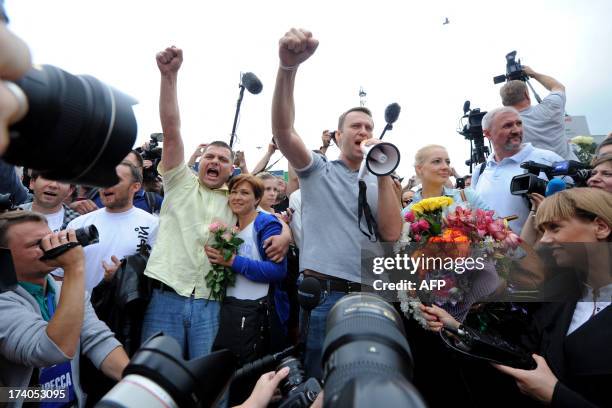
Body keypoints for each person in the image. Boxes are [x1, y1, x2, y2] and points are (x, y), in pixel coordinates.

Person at [141, 46, 289, 359]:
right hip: (167, 297)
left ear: (231, 169)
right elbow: (171, 131)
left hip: (211, 302)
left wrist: (285, 234)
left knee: (207, 386)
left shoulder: (237, 199)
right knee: (155, 379)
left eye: (223, 159)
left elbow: (271, 219)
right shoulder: (179, 182)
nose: (215, 161)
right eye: (209, 156)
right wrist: (169, 77)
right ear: (199, 161)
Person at [271, 28, 402, 378]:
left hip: (371, 296)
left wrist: (383, 169)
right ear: (338, 134)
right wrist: (287, 69)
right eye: (355, 126)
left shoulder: (381, 179)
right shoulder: (318, 171)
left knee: (366, 384)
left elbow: (391, 232)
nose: (363, 132)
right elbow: (284, 132)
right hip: (325, 298)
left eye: (369, 127)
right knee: (319, 382)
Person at [422, 188, 612, 407]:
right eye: (542, 231)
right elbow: (524, 355)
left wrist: (556, 395)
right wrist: (458, 328)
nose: (546, 241)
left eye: (555, 228)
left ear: (600, 227)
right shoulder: (559, 293)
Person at [0, 211, 129, 408]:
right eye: (37, 244)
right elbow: (51, 351)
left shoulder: (66, 293)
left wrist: (137, 380)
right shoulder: (3, 303)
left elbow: (97, 339)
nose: (51, 247)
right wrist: (74, 267)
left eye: (49, 238)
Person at [205, 174, 288, 405]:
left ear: (257, 199)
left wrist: (232, 261)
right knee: (233, 379)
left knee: (251, 384)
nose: (236, 197)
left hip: (258, 315)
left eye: (244, 193)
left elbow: (277, 271)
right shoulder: (230, 225)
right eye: (233, 191)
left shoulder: (265, 223)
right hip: (231, 311)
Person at [67, 161, 159, 291]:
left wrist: (126, 274)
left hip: (128, 309)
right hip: (80, 307)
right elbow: (60, 274)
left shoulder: (153, 225)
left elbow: (158, 275)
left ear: (135, 187)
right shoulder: (78, 223)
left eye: (115, 180)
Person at [472, 106, 564, 235]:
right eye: (507, 126)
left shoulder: (548, 159)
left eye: (519, 123)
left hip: (541, 251)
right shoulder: (479, 171)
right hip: (494, 253)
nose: (516, 130)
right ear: (487, 133)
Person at [500, 67, 576, 160]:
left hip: (536, 174)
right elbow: (558, 87)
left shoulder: (505, 127)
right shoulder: (551, 106)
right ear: (527, 95)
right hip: (570, 170)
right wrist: (533, 74)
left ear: (504, 103)